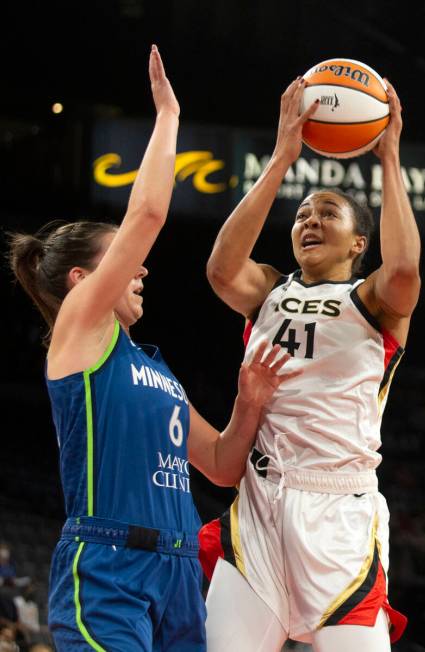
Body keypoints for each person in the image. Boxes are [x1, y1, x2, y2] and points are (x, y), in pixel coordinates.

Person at [8, 46, 298, 652]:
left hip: (178, 570)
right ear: (82, 282)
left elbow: (219, 464)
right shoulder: (80, 335)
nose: (140, 273)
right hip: (109, 565)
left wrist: (249, 405)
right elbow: (148, 213)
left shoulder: (155, 369)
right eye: (125, 262)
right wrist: (168, 116)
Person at [200, 75, 421, 652]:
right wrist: (282, 158)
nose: (309, 221)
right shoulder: (267, 289)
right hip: (261, 503)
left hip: (338, 510)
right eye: (301, 214)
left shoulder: (373, 302)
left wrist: (390, 159)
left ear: (358, 244)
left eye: (327, 212)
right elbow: (222, 270)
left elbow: (404, 272)